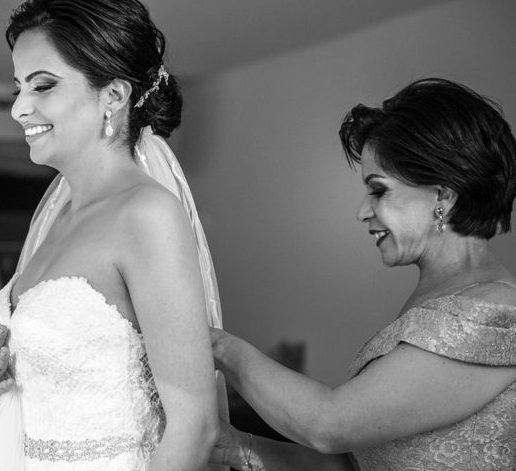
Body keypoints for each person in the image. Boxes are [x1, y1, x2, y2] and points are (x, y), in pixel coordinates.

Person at [0, 0, 227, 469]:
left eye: (42, 86)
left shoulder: (147, 215)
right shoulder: (58, 216)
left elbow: (195, 427)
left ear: (113, 95)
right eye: (17, 88)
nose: (18, 109)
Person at [209, 78, 516, 470]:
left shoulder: (495, 313)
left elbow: (329, 425)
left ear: (443, 195)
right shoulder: (446, 301)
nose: (363, 211)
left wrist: (221, 348)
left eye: (379, 191)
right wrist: (234, 446)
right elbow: (354, 464)